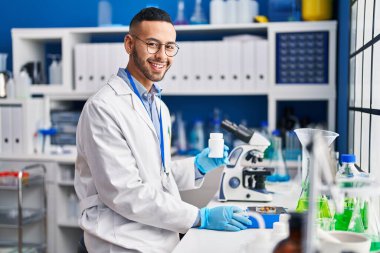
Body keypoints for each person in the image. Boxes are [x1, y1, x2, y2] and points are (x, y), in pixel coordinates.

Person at [74, 7, 251, 253]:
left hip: (159, 237)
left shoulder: (158, 106)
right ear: (129, 44)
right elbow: (124, 193)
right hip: (120, 242)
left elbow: (155, 175)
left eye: (169, 47)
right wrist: (201, 217)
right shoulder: (103, 108)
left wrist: (196, 167)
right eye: (152, 44)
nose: (161, 55)